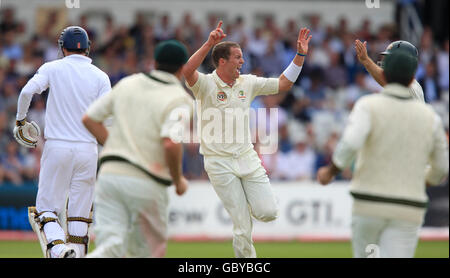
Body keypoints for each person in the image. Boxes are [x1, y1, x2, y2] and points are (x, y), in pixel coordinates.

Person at [182, 21, 311, 258]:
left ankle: (244, 202)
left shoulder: (247, 83)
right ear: (222, 61)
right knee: (242, 226)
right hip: (218, 162)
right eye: (238, 57)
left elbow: (284, 83)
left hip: (246, 157)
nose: (242, 61)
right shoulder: (205, 84)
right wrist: (209, 43)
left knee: (269, 212)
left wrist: (300, 54)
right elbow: (187, 72)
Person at [317, 43, 449, 258]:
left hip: (369, 202)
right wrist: (422, 179)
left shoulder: (371, 104)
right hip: (408, 205)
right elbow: (441, 168)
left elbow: (350, 144)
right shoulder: (431, 118)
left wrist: (330, 172)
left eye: (389, 61)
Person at [82, 40, 192, 258]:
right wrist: (178, 180)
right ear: (182, 68)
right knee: (148, 253)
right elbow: (171, 142)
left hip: (109, 176)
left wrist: (115, 146)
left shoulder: (128, 83)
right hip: (147, 181)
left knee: (111, 248)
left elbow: (89, 119)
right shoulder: (180, 99)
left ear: (155, 62)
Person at [14, 26, 111, 258]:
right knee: (79, 215)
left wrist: (20, 120)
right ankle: (75, 253)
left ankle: (59, 249)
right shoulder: (101, 76)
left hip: (57, 146)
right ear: (88, 48)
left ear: (62, 47)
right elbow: (109, 118)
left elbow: (26, 92)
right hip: (88, 149)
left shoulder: (52, 68)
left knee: (46, 209)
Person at [355, 39, 425, 102]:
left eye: (391, 58)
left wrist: (366, 60)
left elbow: (390, 82)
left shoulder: (413, 86)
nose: (387, 62)